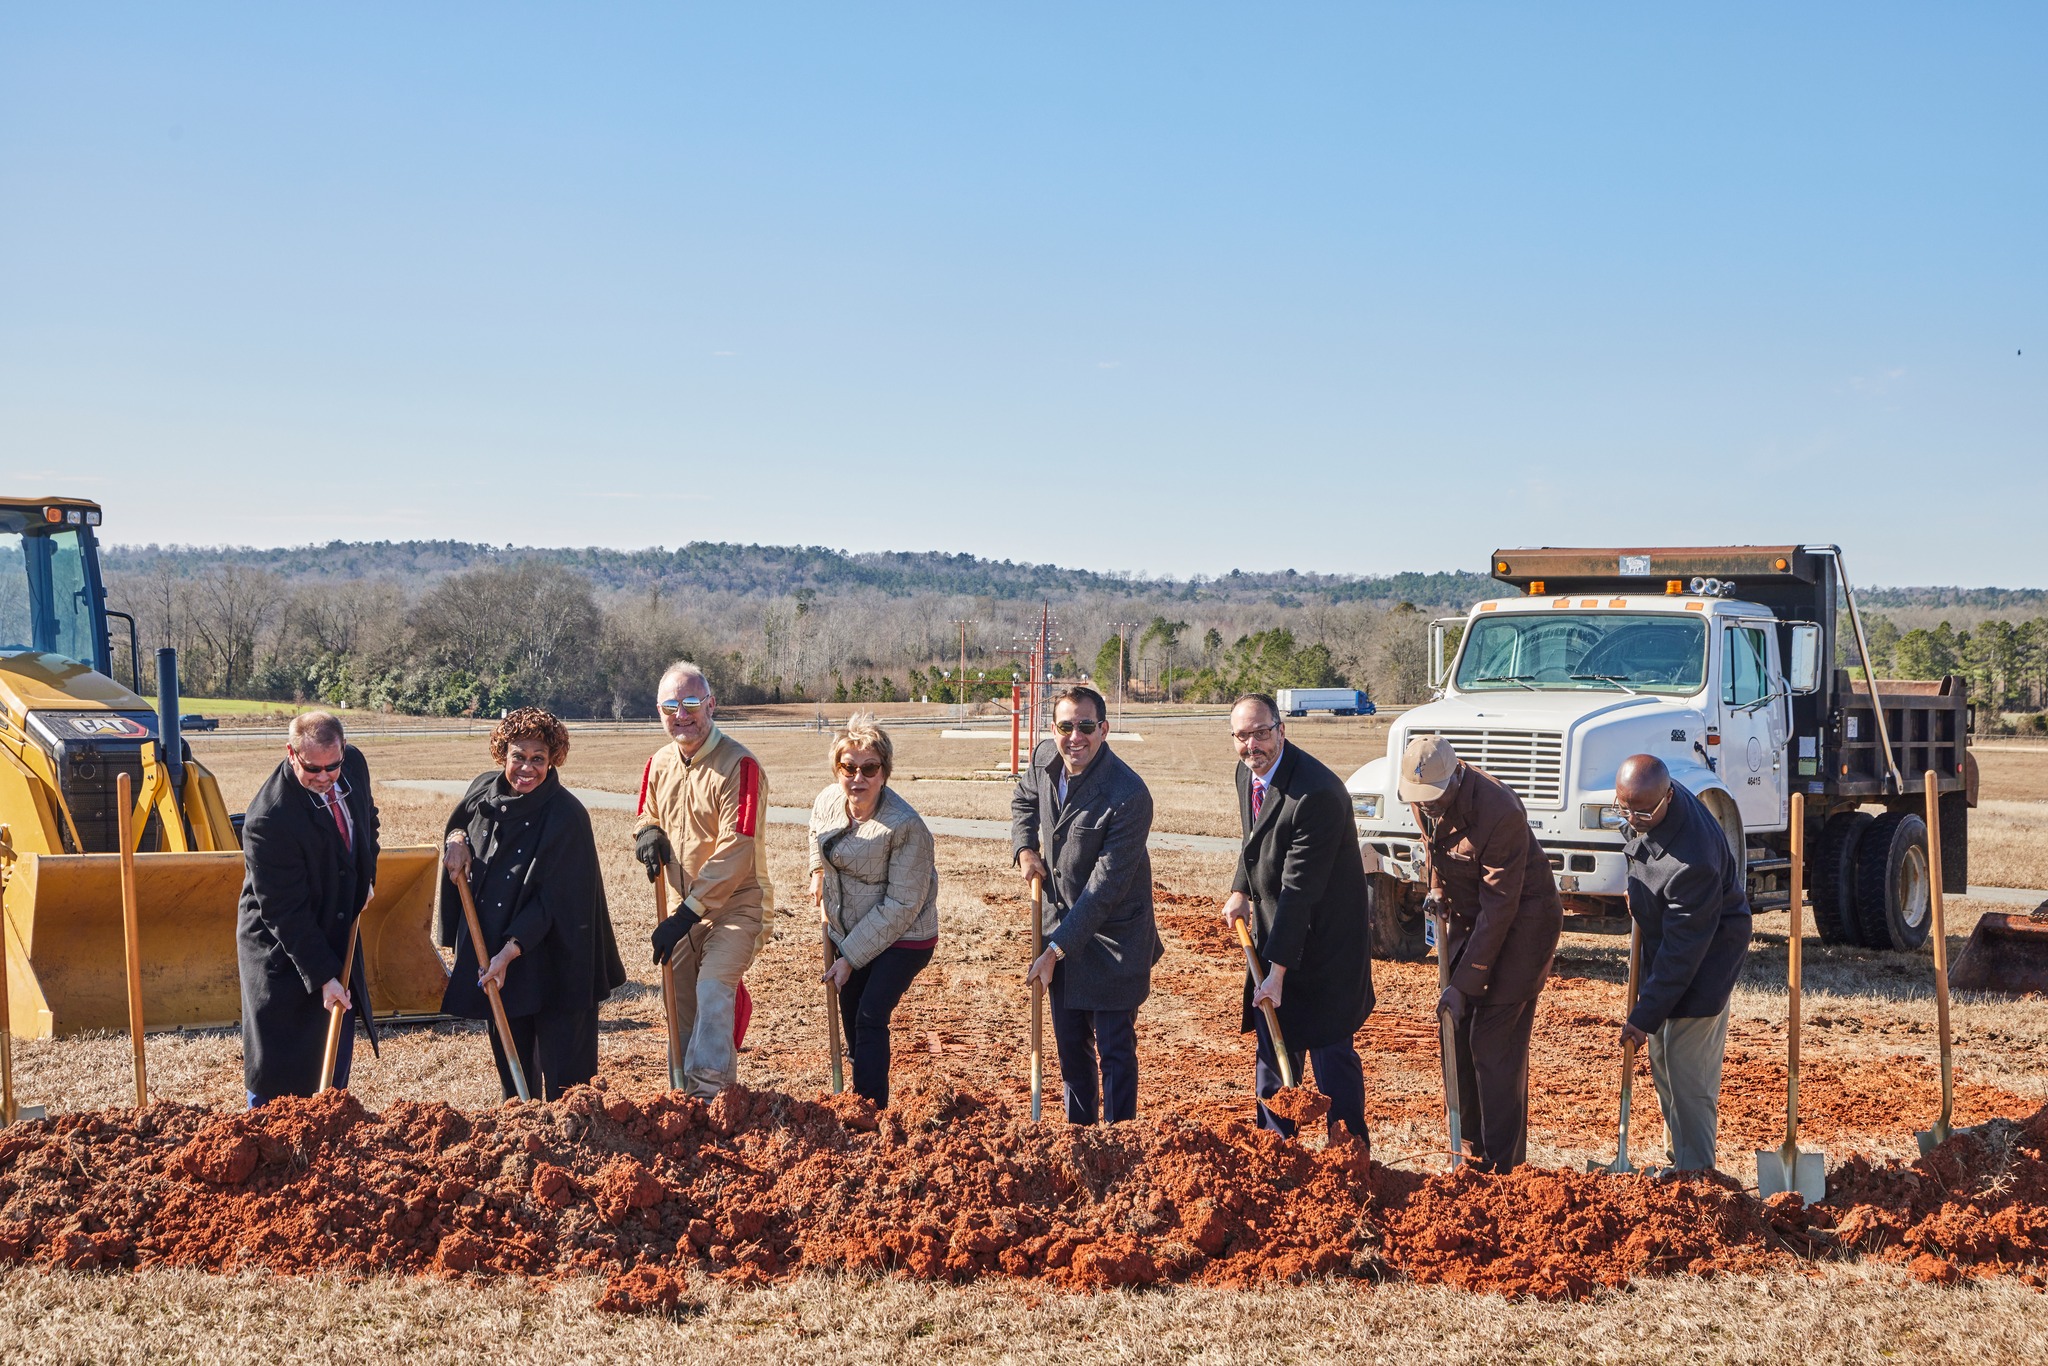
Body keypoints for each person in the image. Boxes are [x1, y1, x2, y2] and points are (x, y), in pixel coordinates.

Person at [439, 707, 626, 1101]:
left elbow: (554, 903)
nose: (527, 768)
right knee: (515, 1073)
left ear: (552, 760)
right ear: (502, 754)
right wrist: (455, 839)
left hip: (557, 956)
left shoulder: (567, 816)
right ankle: (521, 1133)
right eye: (518, 757)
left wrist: (508, 953)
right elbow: (460, 822)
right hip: (496, 950)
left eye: (538, 759)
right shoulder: (482, 791)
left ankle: (575, 1142)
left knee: (567, 1082)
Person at [1401, 734, 1563, 1172]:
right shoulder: (1425, 797)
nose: (1427, 807)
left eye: (1434, 800)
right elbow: (1433, 847)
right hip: (1475, 920)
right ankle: (1468, 1152)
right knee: (1455, 1033)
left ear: (1457, 776)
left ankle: (1503, 1166)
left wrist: (1464, 983)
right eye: (1420, 801)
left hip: (1523, 926)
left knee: (1492, 1043)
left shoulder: (1500, 811)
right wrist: (1436, 890)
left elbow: (1501, 906)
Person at [1220, 694, 1375, 1146]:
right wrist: (1240, 889)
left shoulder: (1317, 794)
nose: (1253, 745)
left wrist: (1278, 972)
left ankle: (1348, 1152)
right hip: (1282, 930)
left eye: (1262, 733)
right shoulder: (1247, 773)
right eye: (1243, 736)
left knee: (1330, 1053)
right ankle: (1274, 1148)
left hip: (1327, 944)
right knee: (1274, 1043)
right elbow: (1255, 842)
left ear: (1281, 730)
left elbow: (1299, 890)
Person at [1011, 685, 1160, 1124]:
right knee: (1071, 1051)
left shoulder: (1129, 795)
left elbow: (1104, 889)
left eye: (1086, 726)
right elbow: (1023, 799)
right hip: (1061, 925)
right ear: (1052, 729)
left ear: (1104, 729)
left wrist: (1055, 951)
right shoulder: (1043, 760)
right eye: (1065, 726)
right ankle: (1080, 1139)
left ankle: (1118, 1144)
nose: (1075, 736)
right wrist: (1024, 848)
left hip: (1114, 937)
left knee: (1114, 1052)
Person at [639, 661, 776, 1098]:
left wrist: (686, 914)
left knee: (713, 990)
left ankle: (713, 1099)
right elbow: (647, 811)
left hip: (737, 905)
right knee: (679, 1004)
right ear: (659, 710)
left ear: (711, 705)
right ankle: (680, 1097)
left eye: (692, 703)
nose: (682, 714)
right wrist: (645, 833)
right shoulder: (658, 763)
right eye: (670, 705)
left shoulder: (742, 766)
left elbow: (736, 851)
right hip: (685, 909)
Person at [1615, 752, 1754, 1175]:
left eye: (1641, 811)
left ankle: (1698, 1173)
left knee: (1686, 1071)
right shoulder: (1655, 803)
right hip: (1672, 942)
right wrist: (1639, 899)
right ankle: (1679, 1161)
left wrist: (1642, 1016)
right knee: (1661, 1057)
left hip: (1706, 958)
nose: (1631, 819)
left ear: (1667, 797)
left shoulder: (1693, 862)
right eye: (1623, 808)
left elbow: (1683, 953)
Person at [235, 710, 380, 1107]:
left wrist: (368, 875)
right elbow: (282, 910)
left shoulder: (353, 766)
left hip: (335, 927)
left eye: (332, 767)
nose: (324, 777)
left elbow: (367, 819)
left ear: (343, 751)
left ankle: (327, 1133)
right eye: (312, 768)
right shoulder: (269, 818)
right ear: (291, 753)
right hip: (282, 947)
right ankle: (267, 1137)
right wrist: (322, 976)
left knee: (332, 1064)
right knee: (283, 1063)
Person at [810, 713, 938, 1107]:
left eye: (869, 768)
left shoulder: (905, 826)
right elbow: (815, 831)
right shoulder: (829, 800)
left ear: (884, 772)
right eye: (848, 767)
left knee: (869, 1016)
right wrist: (817, 869)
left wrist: (849, 957)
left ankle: (871, 1112)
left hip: (906, 936)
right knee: (850, 1017)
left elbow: (901, 905)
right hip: (849, 929)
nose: (857, 778)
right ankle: (856, 1095)